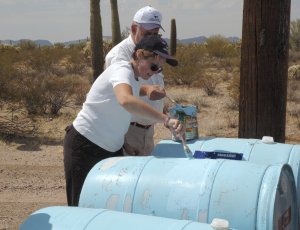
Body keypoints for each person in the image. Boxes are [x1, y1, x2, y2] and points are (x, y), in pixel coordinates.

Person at [63, 35, 185, 206]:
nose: (155, 72)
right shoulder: (122, 69)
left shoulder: (133, 79)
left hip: (111, 149)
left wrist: (124, 143)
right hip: (86, 146)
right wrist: (165, 119)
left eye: (159, 69)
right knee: (81, 205)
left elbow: (122, 103)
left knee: (105, 204)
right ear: (140, 55)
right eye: (154, 66)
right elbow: (125, 100)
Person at [105, 6, 167, 156]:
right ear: (134, 28)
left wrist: (161, 106)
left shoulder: (152, 51)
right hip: (128, 131)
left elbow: (153, 81)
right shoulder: (119, 56)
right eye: (148, 33)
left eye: (156, 33)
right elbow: (121, 95)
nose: (152, 37)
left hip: (148, 130)